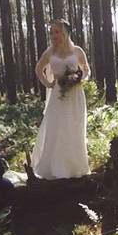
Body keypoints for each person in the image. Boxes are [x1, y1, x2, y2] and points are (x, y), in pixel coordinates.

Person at [31, 19, 91, 179]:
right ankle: (56, 167)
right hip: (58, 93)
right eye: (51, 32)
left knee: (74, 126)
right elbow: (38, 69)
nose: (53, 35)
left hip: (75, 93)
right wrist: (49, 83)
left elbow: (86, 69)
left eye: (56, 32)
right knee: (57, 126)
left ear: (65, 33)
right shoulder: (49, 52)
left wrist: (80, 78)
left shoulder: (77, 51)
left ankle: (75, 167)